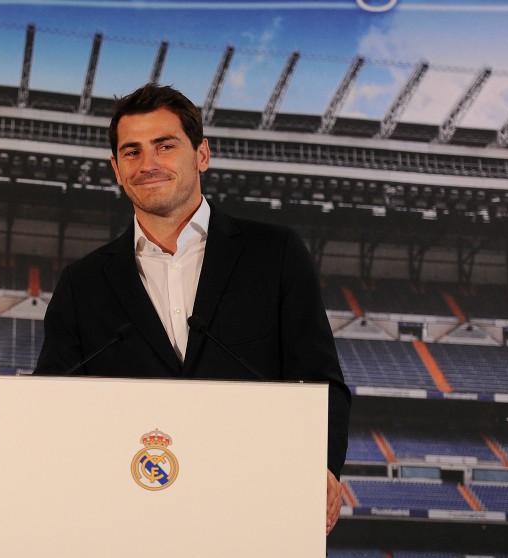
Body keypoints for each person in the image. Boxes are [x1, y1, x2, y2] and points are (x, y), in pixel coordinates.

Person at [35, 84, 351, 534]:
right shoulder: (82, 283)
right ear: (115, 169)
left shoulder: (274, 252)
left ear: (202, 154)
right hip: (130, 521)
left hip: (253, 509)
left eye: (165, 146)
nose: (148, 164)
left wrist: (322, 466)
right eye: (132, 152)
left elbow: (321, 378)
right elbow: (51, 404)